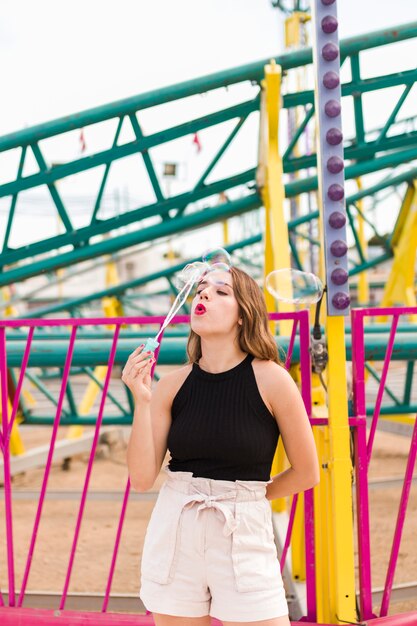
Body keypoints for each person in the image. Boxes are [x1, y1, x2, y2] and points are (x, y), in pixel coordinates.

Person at [123, 265, 320, 626]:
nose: (204, 295)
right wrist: (142, 401)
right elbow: (140, 477)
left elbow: (308, 473)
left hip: (242, 530)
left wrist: (248, 497)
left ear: (244, 314)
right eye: (200, 290)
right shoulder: (171, 385)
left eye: (220, 291)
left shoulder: (273, 379)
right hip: (176, 527)